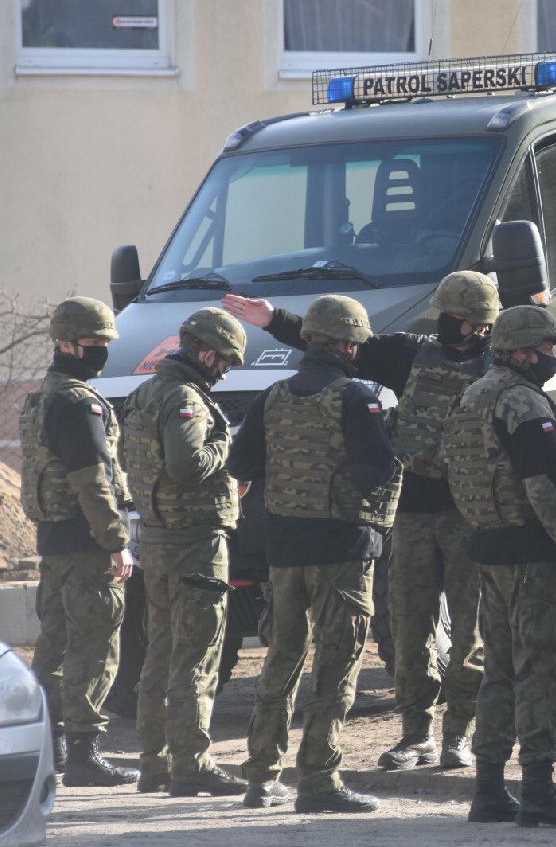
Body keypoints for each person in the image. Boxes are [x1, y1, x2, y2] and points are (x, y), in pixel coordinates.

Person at [222, 271, 496, 772]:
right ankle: (418, 733)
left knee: (470, 635)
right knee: (409, 631)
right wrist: (275, 320)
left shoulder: (495, 366)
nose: (450, 326)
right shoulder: (412, 352)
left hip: (467, 514)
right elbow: (340, 342)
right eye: (447, 316)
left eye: (461, 319)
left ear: (482, 324)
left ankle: (460, 731)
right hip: (411, 514)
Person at [228, 294, 402, 813]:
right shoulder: (354, 397)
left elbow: (241, 462)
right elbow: (378, 470)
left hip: (284, 549)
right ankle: (320, 781)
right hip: (341, 550)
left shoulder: (273, 395)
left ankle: (261, 777)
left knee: (281, 660)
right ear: (349, 344)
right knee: (336, 664)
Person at [442, 305, 556, 829]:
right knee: (543, 671)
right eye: (548, 350)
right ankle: (538, 792)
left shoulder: (470, 397)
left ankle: (488, 790)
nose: (553, 358)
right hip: (531, 556)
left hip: (488, 551)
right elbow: (544, 488)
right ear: (525, 351)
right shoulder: (525, 404)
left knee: (500, 671)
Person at [119, 307, 249, 798]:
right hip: (194, 542)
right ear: (208, 352)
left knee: (160, 653)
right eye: (226, 362)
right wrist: (227, 447)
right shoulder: (183, 398)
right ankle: (190, 765)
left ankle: (154, 763)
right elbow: (188, 465)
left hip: (157, 538)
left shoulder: (145, 392)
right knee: (196, 656)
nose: (226, 371)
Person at [20, 296, 140, 787]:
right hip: (88, 543)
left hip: (55, 542)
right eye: (94, 344)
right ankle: (86, 755)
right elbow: (92, 480)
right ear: (66, 344)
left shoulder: (40, 396)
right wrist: (116, 541)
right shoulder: (79, 402)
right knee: (94, 645)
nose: (101, 351)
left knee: (54, 646)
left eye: (106, 343)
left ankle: (52, 750)